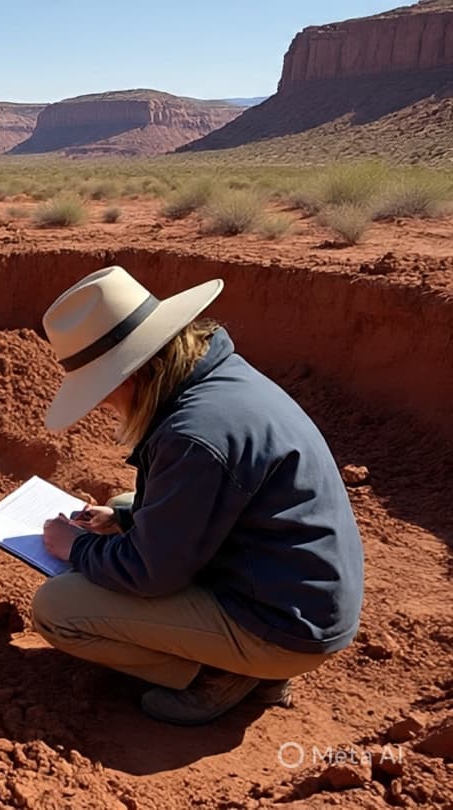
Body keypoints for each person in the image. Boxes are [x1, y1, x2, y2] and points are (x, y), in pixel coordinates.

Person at [31, 265, 364, 726]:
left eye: (101, 392)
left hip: (281, 628)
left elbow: (149, 574)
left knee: (57, 607)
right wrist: (122, 521)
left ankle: (218, 672)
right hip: (297, 597)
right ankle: (242, 661)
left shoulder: (195, 436)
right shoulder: (216, 377)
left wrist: (78, 547)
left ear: (131, 375)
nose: (103, 405)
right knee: (130, 504)